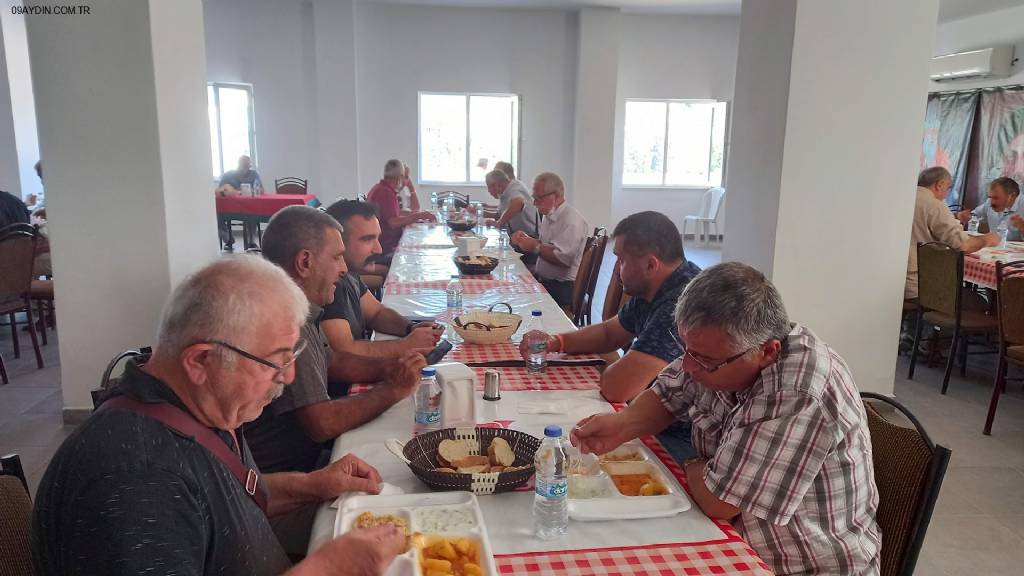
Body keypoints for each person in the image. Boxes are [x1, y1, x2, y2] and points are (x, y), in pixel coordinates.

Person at [32, 256, 407, 575]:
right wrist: (327, 568)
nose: (288, 377)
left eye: (290, 357)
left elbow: (226, 499)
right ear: (200, 360)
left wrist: (314, 484)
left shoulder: (197, 408)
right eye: (275, 361)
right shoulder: (138, 478)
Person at [571, 262, 881, 575]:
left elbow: (719, 501)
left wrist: (692, 462)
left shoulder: (798, 389)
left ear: (768, 352)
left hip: (798, 564)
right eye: (685, 349)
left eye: (704, 360)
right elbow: (668, 394)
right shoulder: (720, 351)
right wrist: (621, 424)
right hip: (731, 536)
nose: (689, 366)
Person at [321, 199, 443, 363]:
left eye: (377, 238)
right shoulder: (327, 284)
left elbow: (376, 313)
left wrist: (410, 328)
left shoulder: (350, 273)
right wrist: (407, 345)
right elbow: (344, 351)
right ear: (338, 241)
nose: (378, 249)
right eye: (367, 239)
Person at [906, 166, 999, 300]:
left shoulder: (905, 198)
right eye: (948, 188)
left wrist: (955, 217)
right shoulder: (934, 204)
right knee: (978, 300)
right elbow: (963, 245)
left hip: (895, 279)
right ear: (940, 185)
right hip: (920, 286)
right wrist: (987, 239)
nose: (946, 194)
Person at [510, 172, 589, 307]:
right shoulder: (550, 214)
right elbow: (546, 245)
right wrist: (527, 240)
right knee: (511, 286)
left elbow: (564, 259)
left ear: (556, 196)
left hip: (562, 288)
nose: (534, 203)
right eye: (533, 198)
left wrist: (535, 246)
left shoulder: (571, 221)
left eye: (538, 198)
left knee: (516, 301)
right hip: (548, 282)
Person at [366, 159, 436, 257]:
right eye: (405, 177)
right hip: (385, 248)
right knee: (422, 252)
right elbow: (394, 222)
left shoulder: (382, 188)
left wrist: (418, 214)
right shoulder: (385, 192)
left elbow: (396, 212)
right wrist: (418, 215)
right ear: (400, 177)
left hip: (384, 244)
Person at [957, 176, 1024, 241]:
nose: (992, 202)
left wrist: (1022, 227)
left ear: (1011, 196)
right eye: (990, 197)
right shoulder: (989, 202)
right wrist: (964, 216)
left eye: (996, 198)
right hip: (995, 249)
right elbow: (974, 216)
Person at [478, 169, 538, 238]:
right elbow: (499, 215)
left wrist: (499, 223)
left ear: (496, 185)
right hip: (517, 236)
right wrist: (481, 212)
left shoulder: (514, 188)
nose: (488, 191)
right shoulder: (504, 193)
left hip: (529, 237)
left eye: (489, 187)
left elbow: (518, 202)